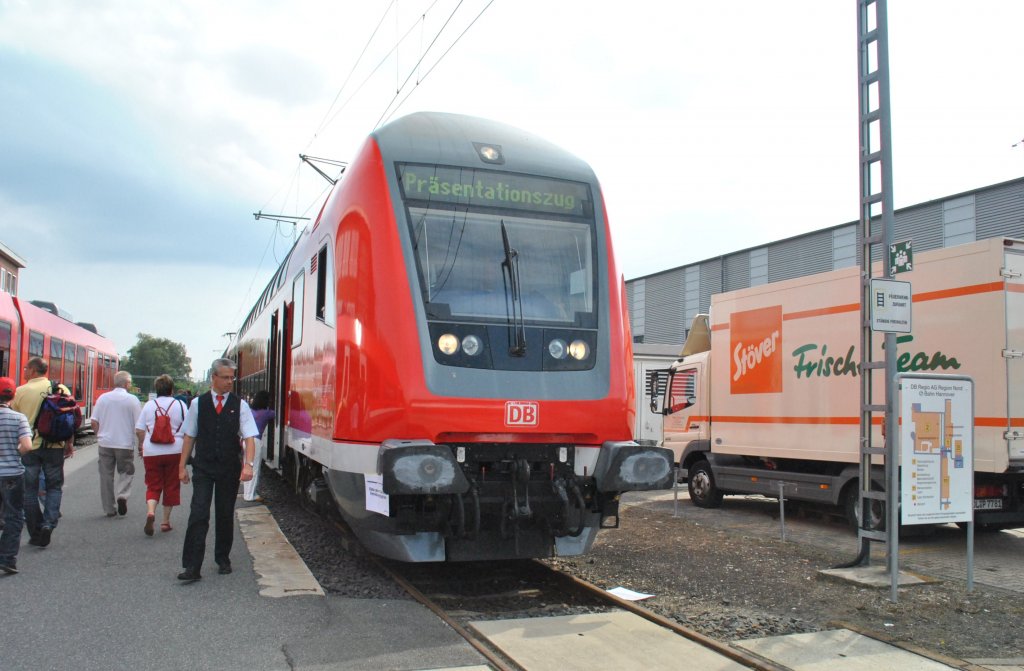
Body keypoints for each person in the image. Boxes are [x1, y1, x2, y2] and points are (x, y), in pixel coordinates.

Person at [177, 358, 258, 582]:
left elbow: (249, 437)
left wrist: (248, 465)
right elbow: (189, 436)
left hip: (228, 467)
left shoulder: (239, 405)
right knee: (198, 513)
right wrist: (182, 466)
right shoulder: (197, 404)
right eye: (225, 377)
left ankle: (223, 558)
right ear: (213, 377)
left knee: (224, 513)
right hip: (203, 466)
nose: (229, 382)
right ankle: (192, 565)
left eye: (232, 378)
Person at [12, 357, 73, 547]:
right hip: (55, 446)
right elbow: (69, 419)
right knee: (54, 487)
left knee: (29, 491)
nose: (23, 371)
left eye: (25, 368)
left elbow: (15, 420)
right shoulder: (61, 389)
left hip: (31, 447)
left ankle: (36, 531)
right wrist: (69, 443)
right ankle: (49, 524)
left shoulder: (20, 391)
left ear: (32, 370)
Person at [135, 375, 186, 536]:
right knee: (171, 485)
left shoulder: (149, 406)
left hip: (152, 451)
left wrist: (142, 445)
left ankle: (151, 512)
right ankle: (165, 522)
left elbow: (139, 429)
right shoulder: (180, 405)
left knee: (153, 484)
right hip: (175, 451)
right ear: (171, 389)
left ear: (157, 390)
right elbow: (189, 430)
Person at [90, 371, 142, 518]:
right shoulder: (132, 400)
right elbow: (139, 426)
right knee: (126, 471)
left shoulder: (103, 398)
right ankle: (122, 495)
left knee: (106, 475)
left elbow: (94, 421)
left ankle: (109, 509)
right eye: (130, 383)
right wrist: (140, 444)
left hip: (105, 443)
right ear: (126, 384)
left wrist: (99, 435)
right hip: (124, 444)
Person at [0, 376, 33, 574]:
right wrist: (14, 453)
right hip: (12, 473)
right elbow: (27, 446)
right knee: (14, 516)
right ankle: (7, 558)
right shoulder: (18, 418)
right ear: (12, 396)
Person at [241, 390, 275, 503]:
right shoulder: (266, 413)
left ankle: (247, 492)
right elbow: (276, 414)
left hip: (245, 440)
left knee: (246, 466)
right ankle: (250, 495)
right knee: (253, 469)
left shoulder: (251, 411)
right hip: (255, 441)